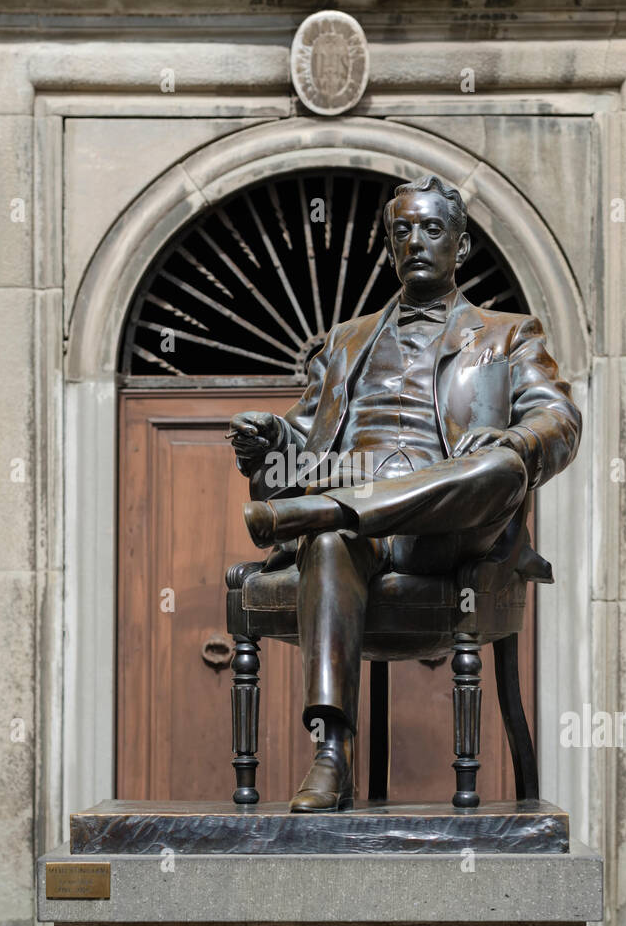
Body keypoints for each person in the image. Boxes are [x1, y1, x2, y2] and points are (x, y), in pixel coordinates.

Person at [228, 174, 581, 811]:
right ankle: (331, 754)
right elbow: (304, 442)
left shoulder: (508, 335)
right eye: (402, 230)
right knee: (332, 541)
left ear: (461, 246)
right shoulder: (345, 341)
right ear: (391, 245)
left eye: (431, 229)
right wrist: (270, 437)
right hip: (353, 517)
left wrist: (513, 441)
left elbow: (558, 423)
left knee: (502, 469)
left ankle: (324, 513)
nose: (415, 241)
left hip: (445, 532)